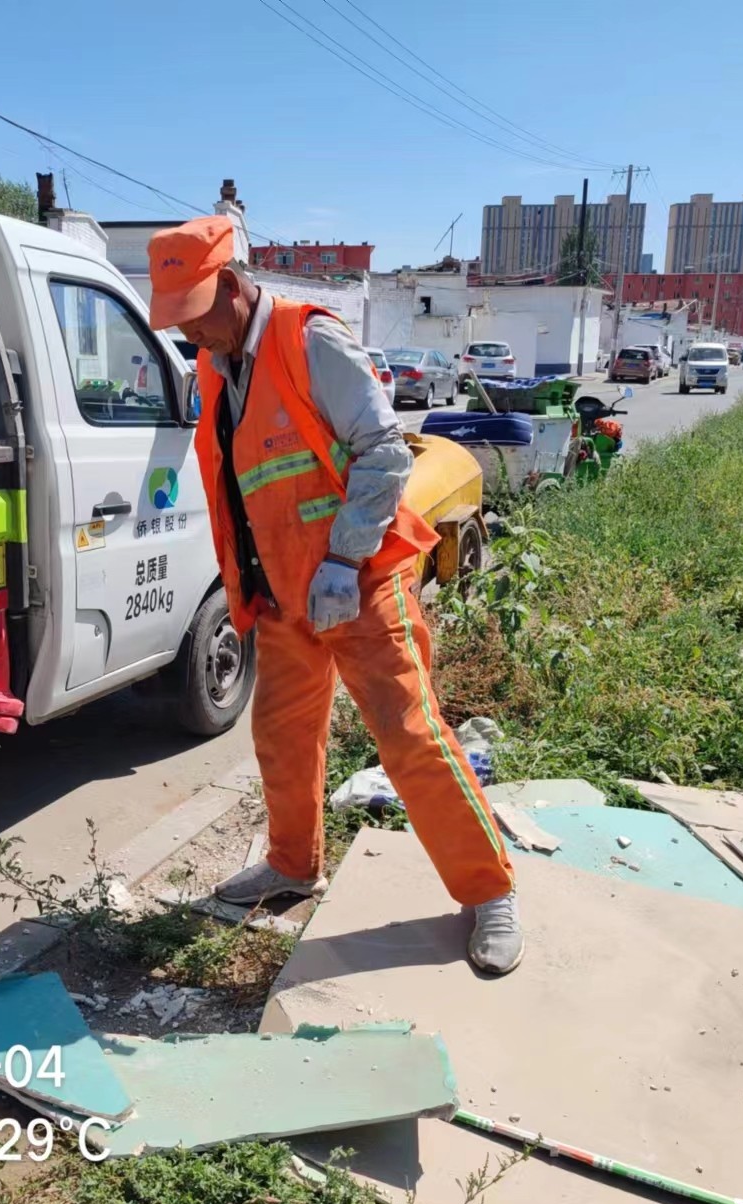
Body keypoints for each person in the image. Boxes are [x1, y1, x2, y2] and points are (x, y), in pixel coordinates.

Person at [145, 216, 522, 974]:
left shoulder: (308, 340)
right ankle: (292, 864)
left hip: (362, 582)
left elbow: (385, 449)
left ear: (230, 281)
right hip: (284, 598)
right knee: (282, 739)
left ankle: (489, 893)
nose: (193, 336)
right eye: (178, 323)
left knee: (408, 734)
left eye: (197, 316)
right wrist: (256, 585)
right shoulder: (219, 367)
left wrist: (344, 562)